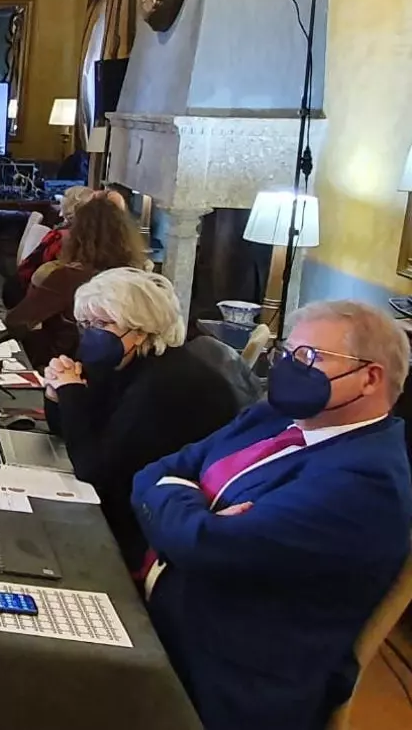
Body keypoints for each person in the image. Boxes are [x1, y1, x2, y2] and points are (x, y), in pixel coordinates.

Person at [132, 300, 412, 730]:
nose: (289, 369)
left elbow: (203, 546)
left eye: (309, 357)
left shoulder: (366, 481)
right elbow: (153, 473)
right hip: (160, 613)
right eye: (287, 354)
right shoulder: (275, 417)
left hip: (219, 678)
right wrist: (192, 507)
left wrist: (183, 502)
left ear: (370, 377)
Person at [42, 268, 240, 568]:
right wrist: (56, 394)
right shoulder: (120, 361)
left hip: (146, 527)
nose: (91, 333)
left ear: (140, 330)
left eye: (102, 324)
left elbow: (94, 469)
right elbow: (67, 429)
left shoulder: (165, 384)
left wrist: (71, 392)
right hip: (122, 494)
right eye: (85, 324)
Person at [5, 196, 145, 368]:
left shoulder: (66, 278)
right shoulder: (135, 278)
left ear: (77, 235)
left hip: (61, 364)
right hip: (118, 367)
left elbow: (16, 321)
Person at [6, 186, 97, 308]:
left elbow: (31, 268)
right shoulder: (99, 238)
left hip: (37, 298)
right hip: (77, 301)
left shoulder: (59, 237)